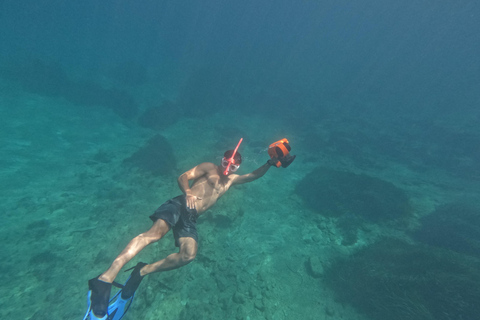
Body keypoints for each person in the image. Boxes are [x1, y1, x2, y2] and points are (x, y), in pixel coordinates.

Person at [84, 145, 280, 320]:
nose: (228, 167)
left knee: (188, 254)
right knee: (153, 235)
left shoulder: (231, 180)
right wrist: (187, 192)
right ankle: (104, 279)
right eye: (226, 162)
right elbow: (183, 176)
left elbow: (254, 175)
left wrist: (270, 163)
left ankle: (141, 271)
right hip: (179, 204)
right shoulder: (208, 167)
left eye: (233, 166)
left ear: (237, 167)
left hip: (192, 218)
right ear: (222, 159)